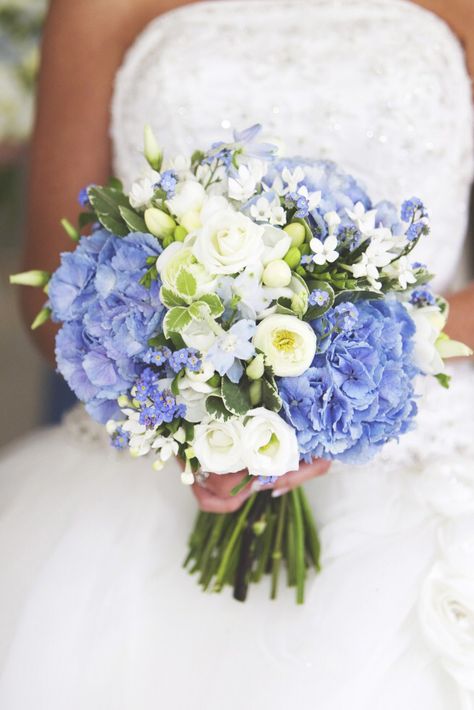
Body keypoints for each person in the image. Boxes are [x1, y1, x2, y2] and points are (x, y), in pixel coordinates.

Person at [1, 0, 473, 707]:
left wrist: (359, 362)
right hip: (155, 465)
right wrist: (190, 390)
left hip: (425, 447)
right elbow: (51, 289)